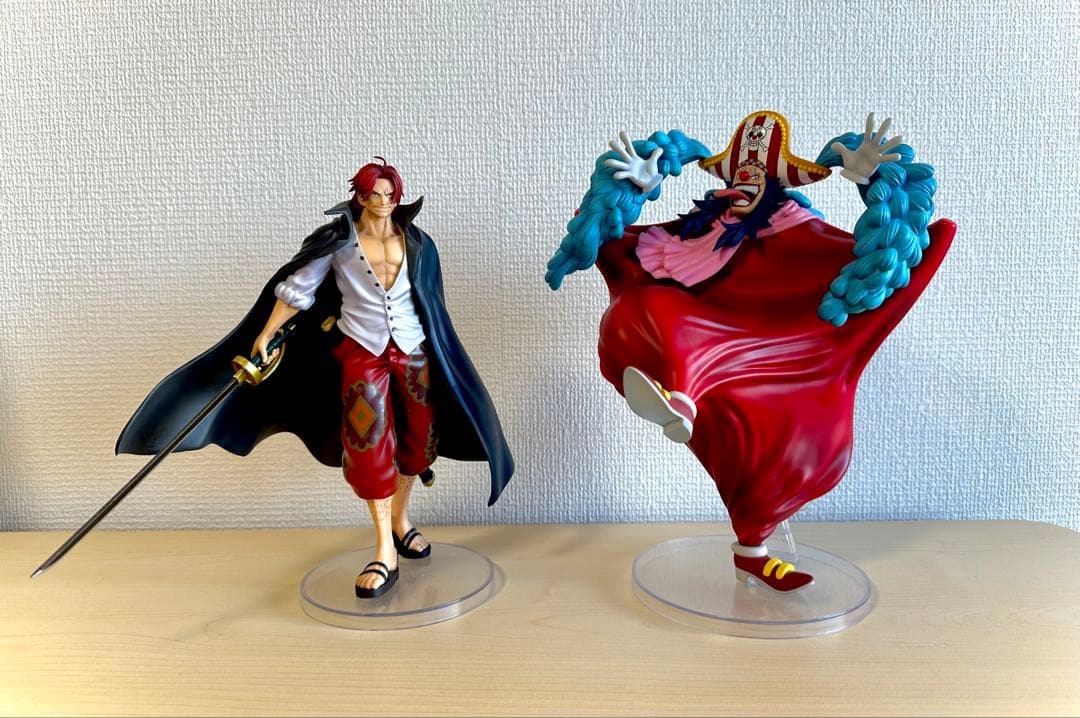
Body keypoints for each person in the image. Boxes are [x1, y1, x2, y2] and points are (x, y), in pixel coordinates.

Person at [547, 112, 953, 593]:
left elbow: (867, 258)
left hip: (771, 349)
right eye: (738, 172)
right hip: (697, 337)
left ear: (777, 181)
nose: (745, 182)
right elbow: (615, 244)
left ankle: (751, 551)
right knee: (647, 307)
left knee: (764, 444)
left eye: (757, 173)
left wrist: (871, 183)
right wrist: (632, 190)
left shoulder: (793, 226)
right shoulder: (703, 226)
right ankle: (680, 400)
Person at [117, 159, 514, 598]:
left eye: (390, 194)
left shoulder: (417, 242)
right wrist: (267, 332)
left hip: (413, 350)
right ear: (359, 196)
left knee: (419, 441)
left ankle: (401, 521)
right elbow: (298, 290)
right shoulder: (338, 242)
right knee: (368, 443)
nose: (384, 202)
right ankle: (385, 550)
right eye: (376, 194)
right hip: (362, 351)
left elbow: (432, 301)